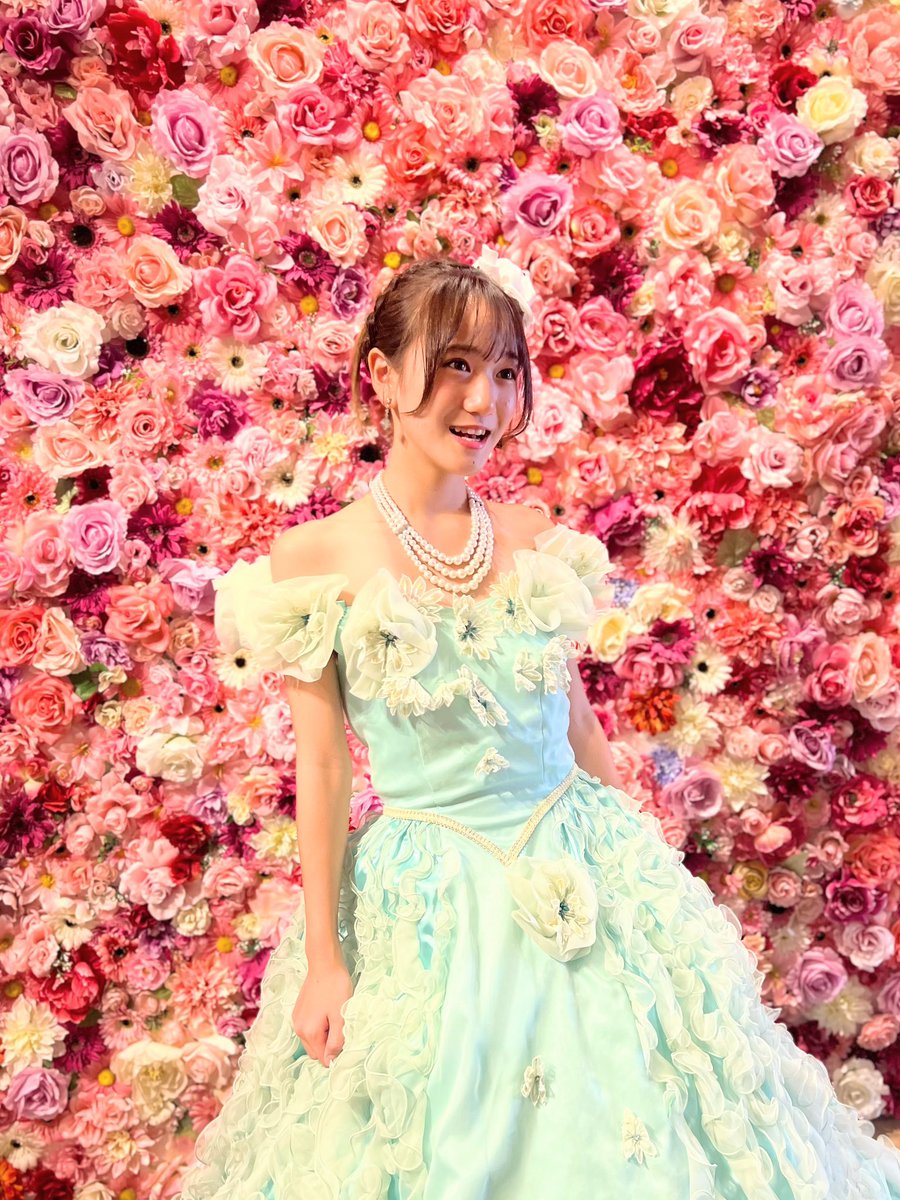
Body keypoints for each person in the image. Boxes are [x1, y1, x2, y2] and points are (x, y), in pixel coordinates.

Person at [179, 256, 900, 1200]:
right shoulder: (314, 556)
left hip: (581, 858)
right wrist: (325, 961)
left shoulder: (528, 535)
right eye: (455, 365)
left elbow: (575, 721)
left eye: (506, 370)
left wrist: (642, 870)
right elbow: (321, 768)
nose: (485, 400)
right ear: (383, 376)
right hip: (430, 896)